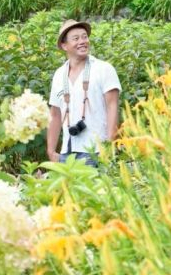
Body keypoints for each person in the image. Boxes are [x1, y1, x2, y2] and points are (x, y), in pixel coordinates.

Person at [47, 19, 121, 167]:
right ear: (64, 46)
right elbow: (55, 115)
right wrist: (51, 151)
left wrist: (110, 146)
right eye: (76, 38)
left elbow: (112, 107)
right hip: (67, 153)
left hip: (96, 150)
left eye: (84, 37)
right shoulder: (59, 75)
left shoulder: (103, 69)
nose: (82, 41)